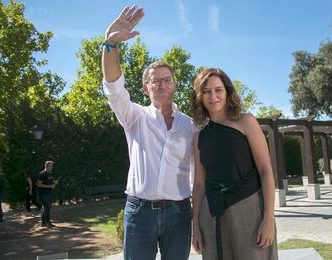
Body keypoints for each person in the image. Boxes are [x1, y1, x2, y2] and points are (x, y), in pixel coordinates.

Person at [102, 4, 195, 260]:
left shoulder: (190, 126)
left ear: (175, 85)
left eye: (168, 80)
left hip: (179, 214)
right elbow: (113, 88)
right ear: (146, 88)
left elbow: (196, 175)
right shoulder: (134, 116)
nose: (162, 84)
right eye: (156, 80)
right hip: (139, 212)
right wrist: (110, 46)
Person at [191, 68, 278, 260]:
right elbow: (198, 185)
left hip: (249, 211)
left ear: (227, 92)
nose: (213, 96)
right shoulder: (199, 137)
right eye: (206, 91)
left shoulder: (246, 122)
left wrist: (268, 219)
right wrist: (195, 227)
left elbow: (265, 171)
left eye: (218, 90)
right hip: (212, 215)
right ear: (199, 97)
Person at [36, 161, 58, 228]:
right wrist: (50, 186)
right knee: (47, 208)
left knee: (46, 208)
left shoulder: (51, 173)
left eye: (52, 166)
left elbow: (53, 182)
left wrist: (55, 183)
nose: (52, 167)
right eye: (51, 166)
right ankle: (48, 223)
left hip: (49, 193)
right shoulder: (42, 174)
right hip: (43, 193)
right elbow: (39, 184)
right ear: (46, 166)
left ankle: (43, 223)